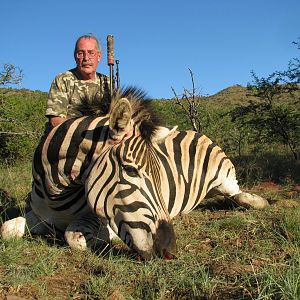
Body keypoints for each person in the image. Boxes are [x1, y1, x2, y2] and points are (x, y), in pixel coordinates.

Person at [45, 34, 111, 130]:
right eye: (81, 53)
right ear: (75, 57)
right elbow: (56, 121)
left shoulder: (108, 83)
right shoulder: (63, 79)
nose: (86, 58)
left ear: (99, 56)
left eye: (91, 53)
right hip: (67, 138)